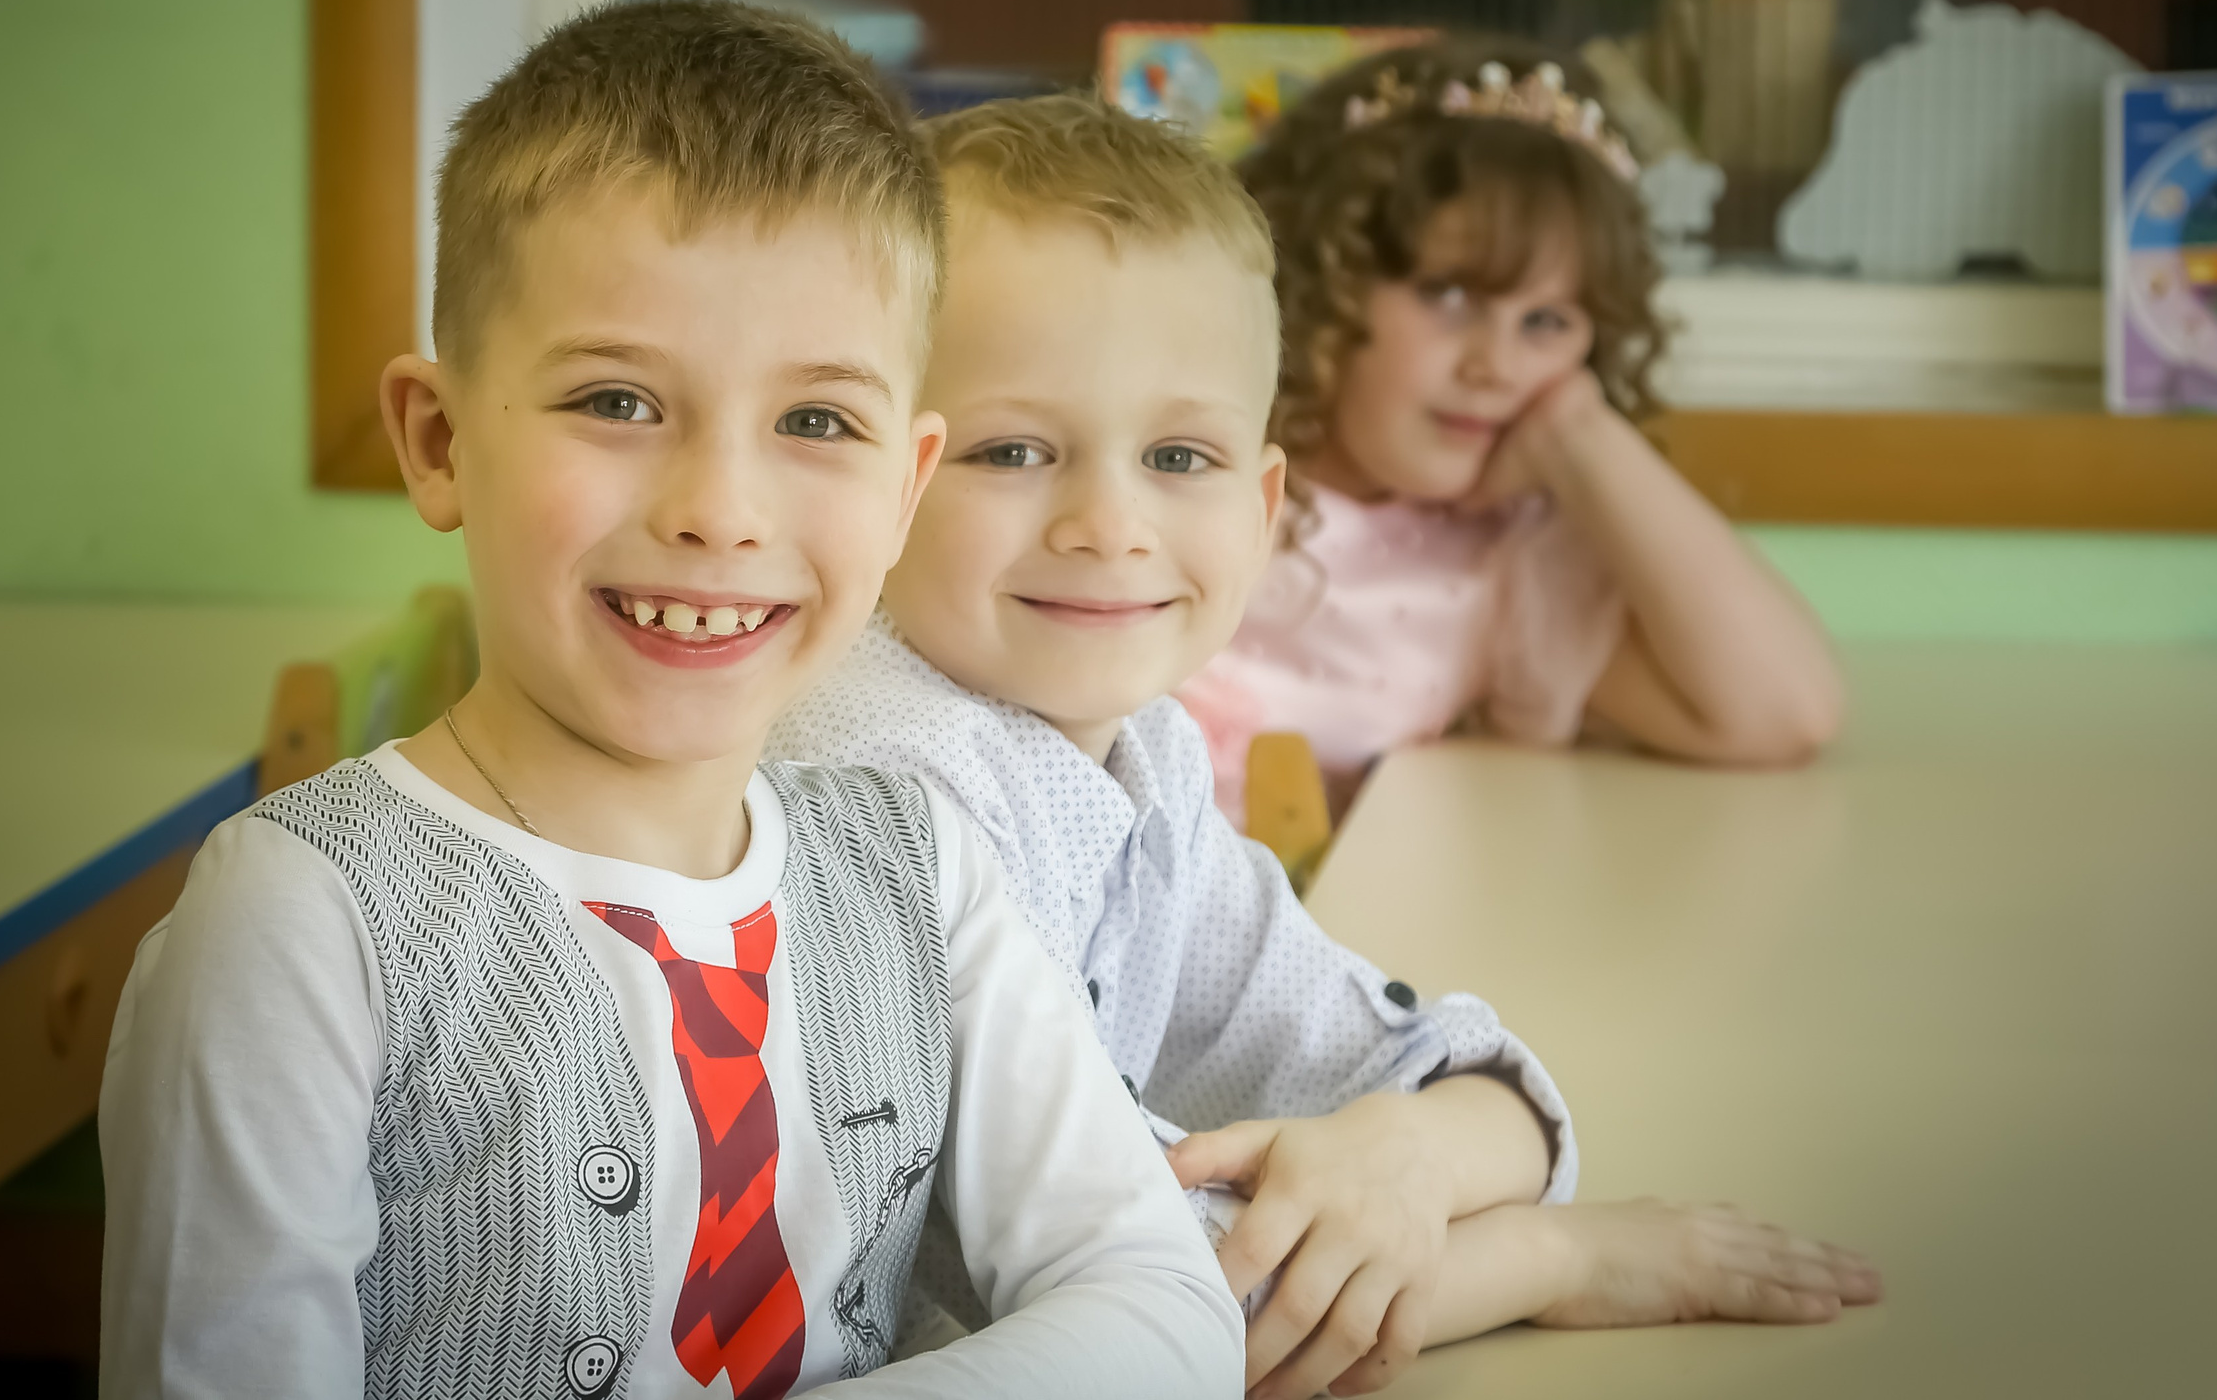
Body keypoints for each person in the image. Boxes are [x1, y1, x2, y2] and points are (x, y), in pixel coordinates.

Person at [97, 4, 1244, 1400]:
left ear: (905, 482)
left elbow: (1161, 1302)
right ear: (440, 437)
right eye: (618, 401)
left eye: (816, 420)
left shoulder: (922, 867)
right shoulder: (298, 922)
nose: (718, 510)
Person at [770, 96, 1879, 1400]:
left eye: (1179, 454)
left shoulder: (1138, 750)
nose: (1112, 523)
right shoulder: (886, 799)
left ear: (1261, 504)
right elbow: (1154, 1316)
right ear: (878, 473)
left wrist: (1404, 1149)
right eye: (1017, 449)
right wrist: (1547, 1258)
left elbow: (1376, 1043)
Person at [1179, 37, 1848, 827]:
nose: (1495, 366)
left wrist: (1583, 436)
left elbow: (1785, 712)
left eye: (1546, 321)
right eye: (1451, 295)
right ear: (1324, 279)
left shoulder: (1504, 568)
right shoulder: (1184, 484)